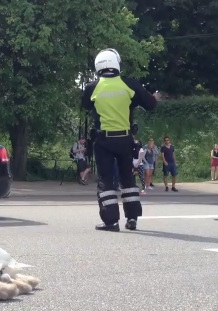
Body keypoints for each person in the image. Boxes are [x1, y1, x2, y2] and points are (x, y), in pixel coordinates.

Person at [81, 48, 157, 232]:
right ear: (116, 63)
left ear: (98, 66)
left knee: (106, 182)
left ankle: (111, 221)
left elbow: (85, 105)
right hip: (125, 139)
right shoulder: (129, 84)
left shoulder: (92, 87)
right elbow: (151, 104)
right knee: (128, 179)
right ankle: (132, 219)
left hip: (104, 140)